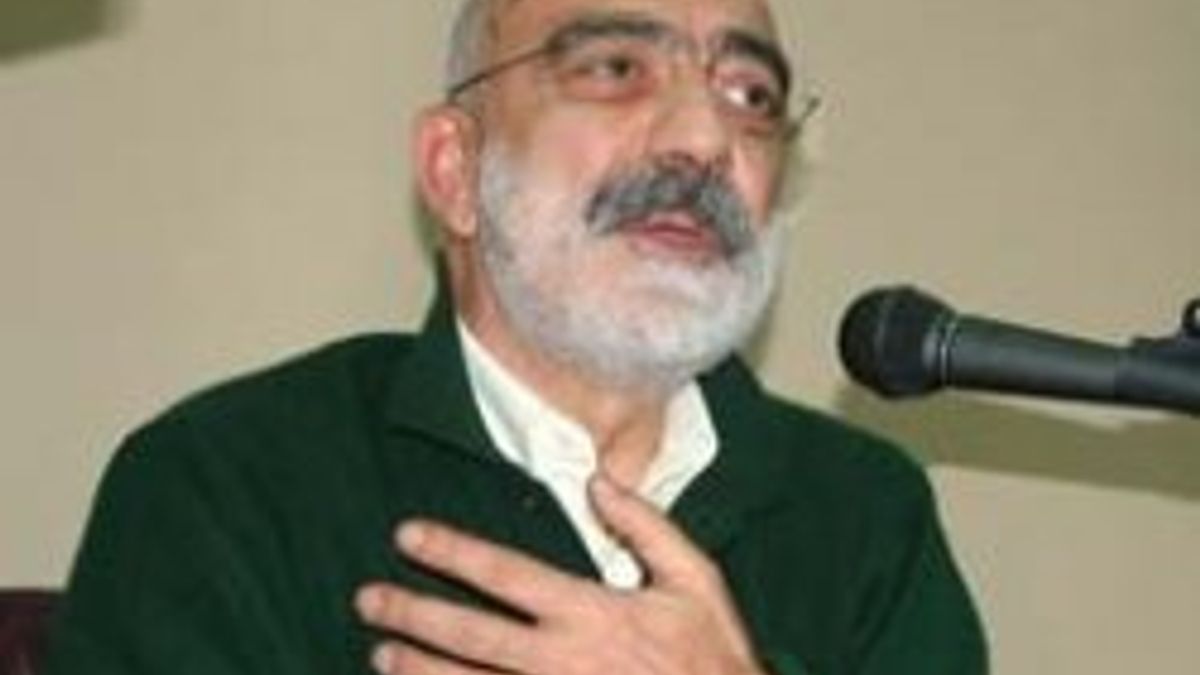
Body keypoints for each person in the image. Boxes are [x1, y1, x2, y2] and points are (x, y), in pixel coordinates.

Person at [46, 0, 987, 673]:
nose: (705, 139)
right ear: (455, 170)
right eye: (616, 70)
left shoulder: (867, 513)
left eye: (751, 95)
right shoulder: (231, 481)